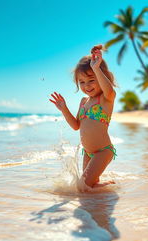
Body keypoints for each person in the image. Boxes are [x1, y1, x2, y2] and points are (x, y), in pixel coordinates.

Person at [49, 45, 117, 189]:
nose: (86, 85)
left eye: (91, 80)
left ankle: (106, 188)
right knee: (88, 186)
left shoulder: (106, 99)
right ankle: (106, 188)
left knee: (82, 187)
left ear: (101, 76)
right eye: (82, 82)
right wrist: (64, 109)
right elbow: (76, 126)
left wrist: (96, 68)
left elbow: (109, 89)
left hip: (102, 152)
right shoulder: (83, 102)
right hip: (88, 153)